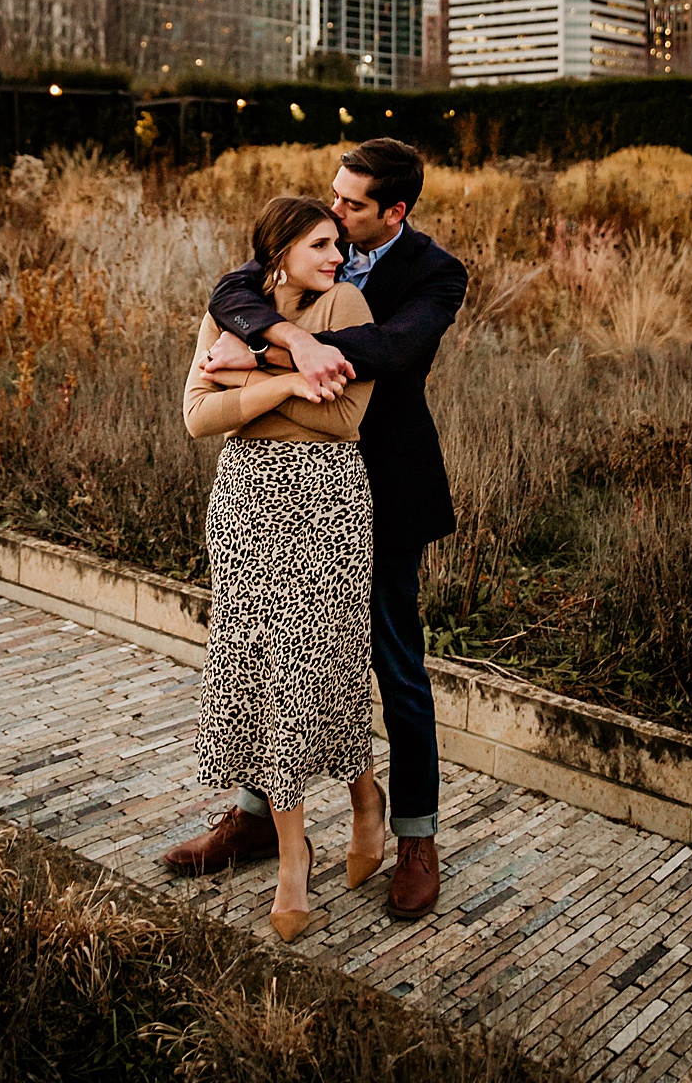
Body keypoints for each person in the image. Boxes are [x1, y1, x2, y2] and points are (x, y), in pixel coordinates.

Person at [165, 139, 467, 921]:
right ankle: (261, 820)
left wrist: (263, 359)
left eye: (353, 206)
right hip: (265, 494)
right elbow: (234, 286)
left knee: (393, 665)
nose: (334, 211)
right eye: (332, 198)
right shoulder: (303, 249)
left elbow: (389, 351)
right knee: (272, 654)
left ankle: (415, 836)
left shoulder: (435, 275)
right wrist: (284, 340)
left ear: (394, 212)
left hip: (380, 490)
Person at [177, 194, 387, 943]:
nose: (339, 256)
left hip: (326, 510)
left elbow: (345, 420)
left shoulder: (348, 301)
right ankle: (293, 849)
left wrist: (243, 382)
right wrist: (292, 381)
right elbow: (195, 417)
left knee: (319, 665)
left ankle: (365, 801)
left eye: (339, 242)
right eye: (323, 245)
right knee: (267, 671)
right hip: (244, 510)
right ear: (281, 253)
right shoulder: (235, 306)